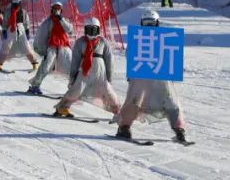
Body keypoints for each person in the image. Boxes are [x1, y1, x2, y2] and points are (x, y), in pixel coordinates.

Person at [116, 10, 188, 143]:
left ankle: (124, 126)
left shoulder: (140, 38)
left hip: (145, 75)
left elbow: (130, 56)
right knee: (169, 101)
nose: (149, 27)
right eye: (147, 23)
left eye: (151, 23)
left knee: (136, 101)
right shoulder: (163, 38)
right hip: (154, 75)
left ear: (157, 23)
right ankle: (179, 129)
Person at [53, 17, 121, 119]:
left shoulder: (103, 42)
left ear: (98, 30)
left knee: (108, 92)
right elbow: (75, 61)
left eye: (94, 30)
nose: (92, 33)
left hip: (100, 72)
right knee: (76, 90)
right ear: (85, 30)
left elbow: (109, 60)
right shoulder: (81, 42)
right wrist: (72, 78)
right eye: (89, 30)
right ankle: (62, 107)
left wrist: (109, 77)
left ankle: (117, 112)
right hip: (85, 71)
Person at [27, 2, 73, 95]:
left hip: (64, 46)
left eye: (58, 9)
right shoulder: (48, 22)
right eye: (55, 9)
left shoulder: (65, 20)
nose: (57, 11)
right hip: (52, 47)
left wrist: (62, 19)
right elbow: (41, 36)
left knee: (71, 67)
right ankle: (35, 86)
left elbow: (70, 30)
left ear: (61, 10)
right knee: (46, 66)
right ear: (52, 10)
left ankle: (73, 89)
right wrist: (43, 51)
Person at [0, 0, 39, 71]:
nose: (15, 2)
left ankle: (35, 63)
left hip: (21, 29)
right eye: (14, 1)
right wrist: (4, 30)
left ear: (19, 1)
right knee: (6, 47)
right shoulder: (8, 11)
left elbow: (26, 22)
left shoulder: (23, 11)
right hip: (10, 29)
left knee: (26, 46)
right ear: (12, 1)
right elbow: (5, 21)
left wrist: (27, 30)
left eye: (17, 1)